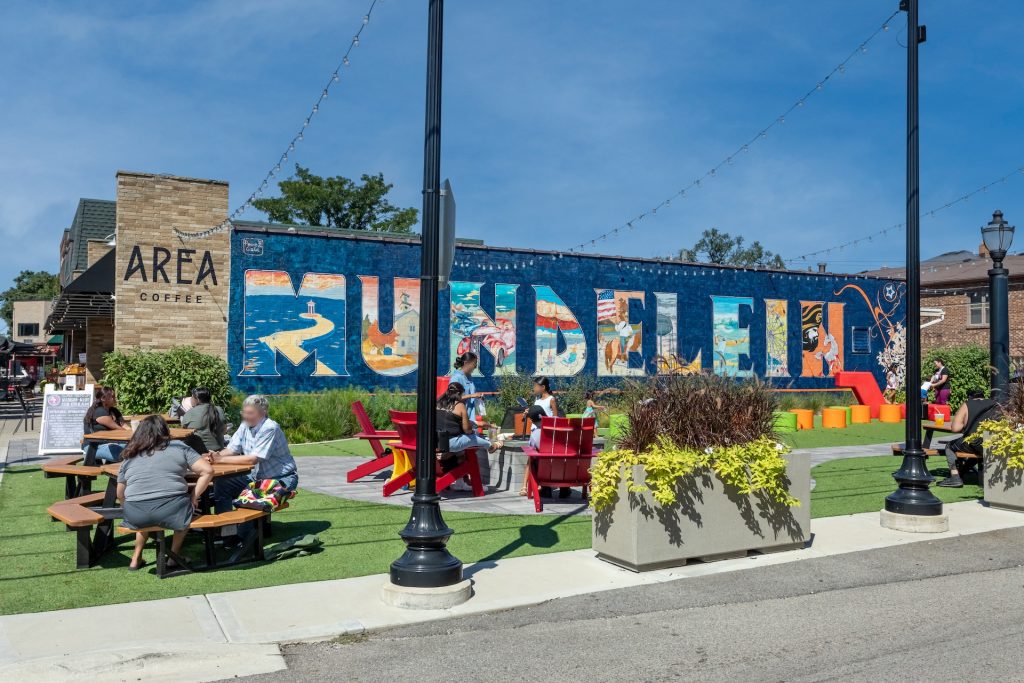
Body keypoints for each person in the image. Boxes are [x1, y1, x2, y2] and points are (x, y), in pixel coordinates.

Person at [116, 416, 214, 570]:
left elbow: (120, 494)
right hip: (172, 510)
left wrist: (128, 508)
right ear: (165, 430)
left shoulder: (130, 455)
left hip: (135, 514)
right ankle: (173, 557)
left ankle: (135, 559)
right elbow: (208, 471)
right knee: (185, 512)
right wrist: (194, 496)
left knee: (146, 509)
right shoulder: (178, 447)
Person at [207, 394, 298, 516]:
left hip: (281, 478)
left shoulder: (270, 428)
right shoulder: (245, 424)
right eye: (244, 412)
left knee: (252, 499)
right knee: (222, 483)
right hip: (256, 478)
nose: (245, 416)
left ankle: (247, 531)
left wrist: (220, 459)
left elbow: (253, 459)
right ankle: (225, 528)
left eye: (250, 413)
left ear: (263, 413)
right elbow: (232, 449)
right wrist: (213, 457)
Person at [436, 382, 501, 492]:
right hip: (450, 443)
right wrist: (472, 432)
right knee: (472, 438)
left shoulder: (439, 402)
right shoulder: (459, 405)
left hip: (438, 441)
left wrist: (478, 425)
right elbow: (467, 429)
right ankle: (491, 446)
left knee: (461, 453)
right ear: (460, 393)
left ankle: (460, 483)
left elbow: (450, 422)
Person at [937, 389, 998, 488]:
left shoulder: (967, 404)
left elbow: (955, 428)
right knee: (975, 451)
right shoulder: (995, 404)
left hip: (974, 442)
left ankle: (955, 476)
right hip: (992, 443)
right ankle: (962, 472)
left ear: (970, 397)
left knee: (949, 446)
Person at [521, 376, 565, 498]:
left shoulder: (551, 399)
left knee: (542, 460)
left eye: (535, 386)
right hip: (536, 432)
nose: (534, 388)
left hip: (546, 433)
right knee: (533, 460)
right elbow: (535, 413)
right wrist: (529, 413)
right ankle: (530, 485)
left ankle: (541, 485)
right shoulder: (537, 400)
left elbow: (556, 419)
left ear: (543, 387)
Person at [84, 387, 127, 463]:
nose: (115, 398)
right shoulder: (99, 411)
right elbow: (119, 429)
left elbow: (124, 426)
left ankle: (110, 468)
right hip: (94, 447)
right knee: (124, 454)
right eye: (112, 397)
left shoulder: (114, 411)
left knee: (132, 448)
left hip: (110, 444)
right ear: (103, 398)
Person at [181, 387, 226, 453]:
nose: (191, 399)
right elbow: (224, 430)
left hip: (198, 453)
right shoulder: (219, 410)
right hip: (219, 451)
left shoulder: (190, 412)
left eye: (192, 397)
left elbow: (183, 432)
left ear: (198, 399)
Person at [450, 352, 486, 425]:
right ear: (466, 363)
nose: (475, 367)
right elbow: (452, 397)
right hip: (459, 419)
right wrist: (472, 395)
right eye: (474, 364)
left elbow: (471, 395)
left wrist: (478, 398)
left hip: (470, 418)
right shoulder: (456, 377)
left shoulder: (469, 377)